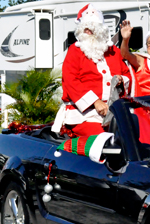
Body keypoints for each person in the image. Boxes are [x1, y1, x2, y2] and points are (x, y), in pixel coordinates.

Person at [52, 4, 131, 137]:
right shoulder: (74, 51)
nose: (88, 32)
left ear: (101, 30)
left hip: (112, 112)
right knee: (103, 140)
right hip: (83, 114)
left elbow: (127, 74)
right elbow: (71, 81)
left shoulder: (113, 51)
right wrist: (95, 102)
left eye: (92, 28)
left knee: (130, 139)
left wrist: (122, 80)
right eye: (85, 29)